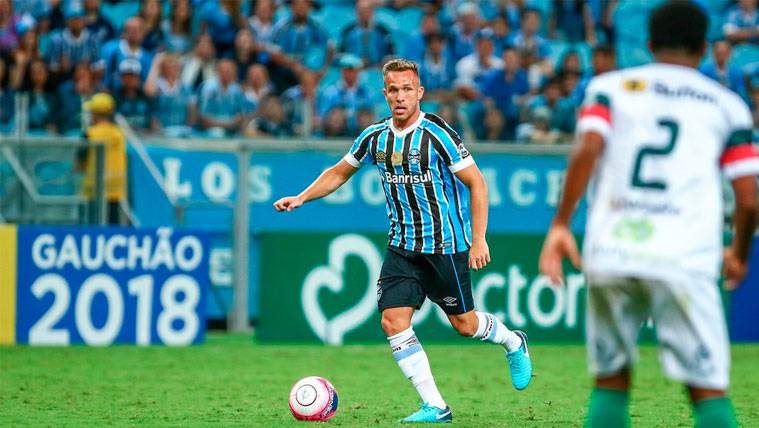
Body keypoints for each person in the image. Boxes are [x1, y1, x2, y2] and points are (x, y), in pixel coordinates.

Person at [273, 59, 533, 423]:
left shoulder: (437, 134)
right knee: (393, 321)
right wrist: (301, 197)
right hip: (402, 248)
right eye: (393, 90)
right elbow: (338, 173)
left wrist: (479, 239)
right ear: (384, 93)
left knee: (465, 325)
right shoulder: (374, 137)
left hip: (445, 247)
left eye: (407, 89)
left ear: (419, 92)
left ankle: (512, 342)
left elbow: (477, 183)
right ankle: (436, 406)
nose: (400, 96)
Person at [538, 2, 759, 427]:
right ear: (703, 47)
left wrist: (561, 223)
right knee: (707, 390)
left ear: (650, 43)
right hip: (684, 258)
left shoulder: (610, 88)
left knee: (610, 382)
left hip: (612, 250)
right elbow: (748, 199)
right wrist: (740, 253)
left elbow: (588, 148)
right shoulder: (726, 105)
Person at [81, 92, 128, 225]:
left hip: (94, 190)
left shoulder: (89, 133)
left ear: (95, 113)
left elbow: (80, 162)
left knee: (93, 230)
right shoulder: (120, 133)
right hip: (117, 191)